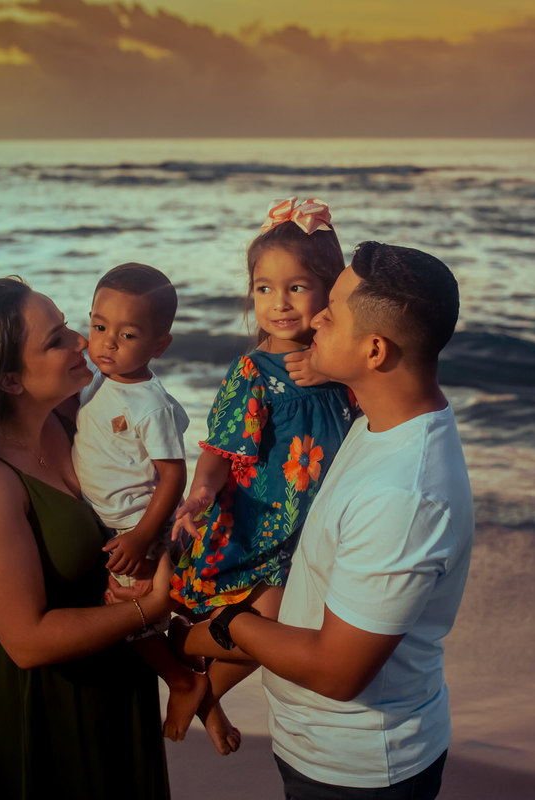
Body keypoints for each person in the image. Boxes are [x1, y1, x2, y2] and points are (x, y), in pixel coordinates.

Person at [179, 242, 474, 799]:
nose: (312, 316)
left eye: (330, 313)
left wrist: (226, 624)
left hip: (358, 768)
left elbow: (338, 674)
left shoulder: (404, 497)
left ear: (375, 350)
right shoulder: (376, 417)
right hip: (319, 748)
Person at [0, 277, 171, 799]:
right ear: (9, 380)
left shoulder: (75, 417)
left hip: (116, 668)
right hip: (48, 697)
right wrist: (149, 609)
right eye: (55, 339)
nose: (81, 342)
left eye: (70, 325)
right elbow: (26, 642)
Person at [168, 197, 358, 755]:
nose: (278, 303)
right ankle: (194, 674)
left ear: (332, 290)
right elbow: (221, 447)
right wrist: (202, 487)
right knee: (273, 623)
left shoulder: (342, 366)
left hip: (318, 531)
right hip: (260, 521)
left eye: (297, 287)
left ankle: (201, 689)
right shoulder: (255, 370)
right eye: (264, 289)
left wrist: (327, 364)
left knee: (295, 629)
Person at [71, 262, 208, 743]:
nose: (106, 343)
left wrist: (146, 536)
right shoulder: (101, 380)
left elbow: (174, 475)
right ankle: (198, 683)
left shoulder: (148, 403)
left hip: (134, 523)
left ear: (159, 345)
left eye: (126, 335)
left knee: (129, 615)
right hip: (115, 523)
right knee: (147, 610)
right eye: (98, 326)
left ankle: (183, 681)